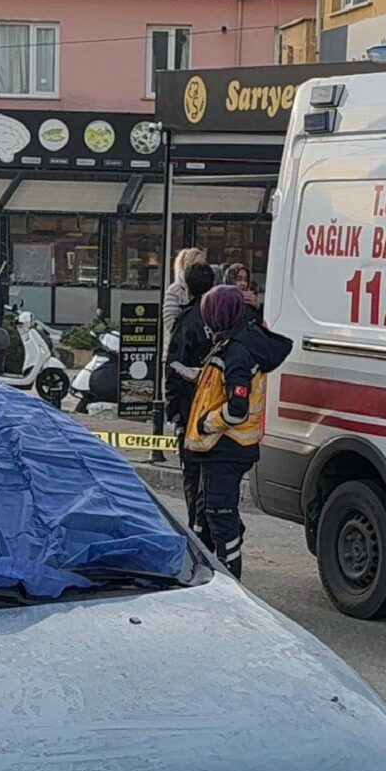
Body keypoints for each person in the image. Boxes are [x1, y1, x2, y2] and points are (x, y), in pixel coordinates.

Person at [182, 284, 291, 578]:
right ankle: (199, 571)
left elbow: (237, 407)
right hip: (219, 448)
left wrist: (207, 422)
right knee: (205, 511)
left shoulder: (238, 351)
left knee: (220, 514)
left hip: (226, 446)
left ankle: (229, 578)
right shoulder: (234, 342)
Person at [166, 262, 220, 539]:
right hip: (222, 413)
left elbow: (174, 366)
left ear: (186, 289)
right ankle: (217, 531)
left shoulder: (187, 321)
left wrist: (173, 412)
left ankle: (198, 535)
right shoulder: (226, 316)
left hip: (192, 414)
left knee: (193, 476)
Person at [162, 247, 210, 429]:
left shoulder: (209, 291)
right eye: (198, 264)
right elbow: (170, 321)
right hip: (181, 352)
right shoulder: (176, 290)